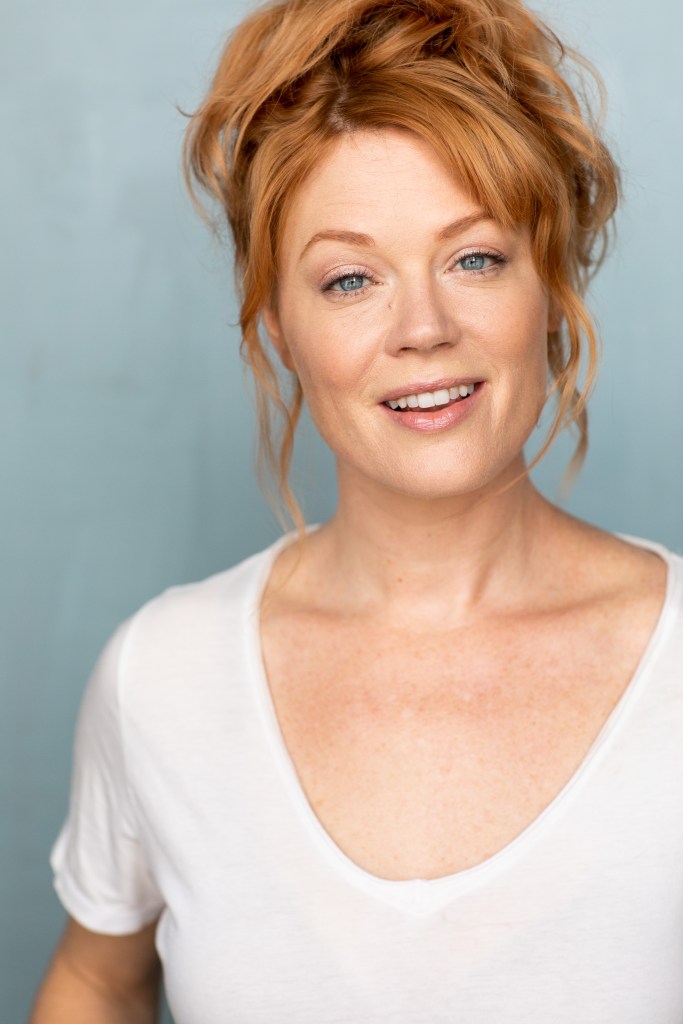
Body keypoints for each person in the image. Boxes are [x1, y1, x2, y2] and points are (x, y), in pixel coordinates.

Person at [31, 0, 683, 1021]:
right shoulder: (162, 676)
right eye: (348, 280)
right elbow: (94, 980)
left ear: (548, 285)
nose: (422, 327)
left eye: (474, 258)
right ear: (277, 330)